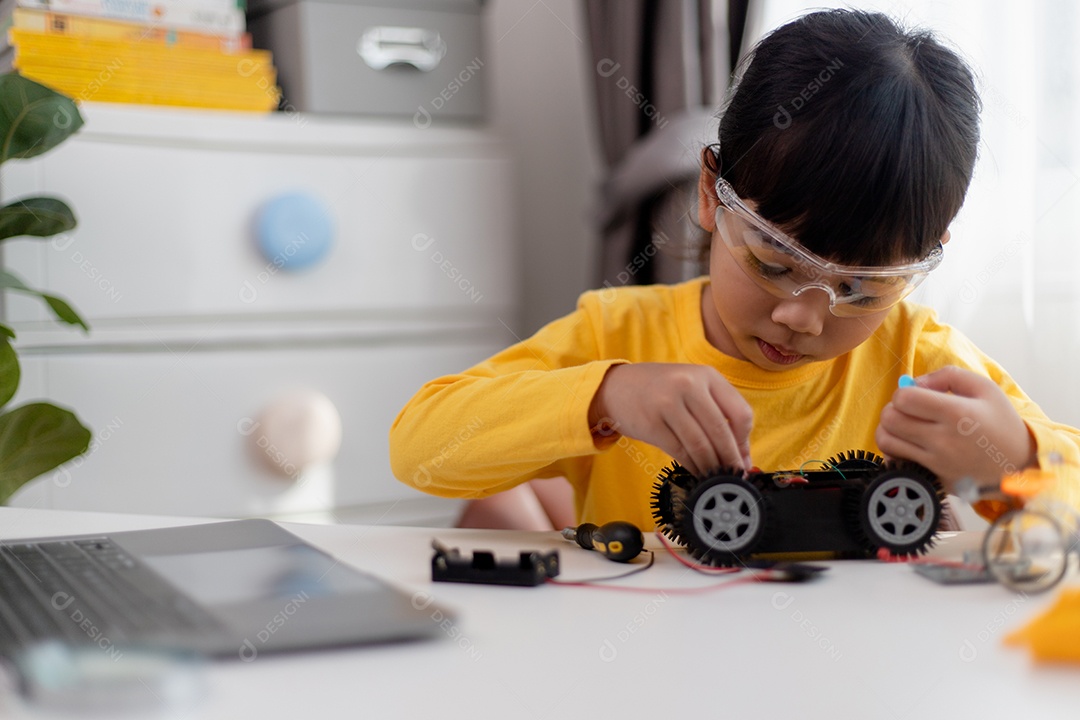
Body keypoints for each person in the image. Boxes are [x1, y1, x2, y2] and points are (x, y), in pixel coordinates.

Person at [390, 9, 1080, 531]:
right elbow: (419, 448)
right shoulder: (619, 337)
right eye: (774, 263)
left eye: (861, 289)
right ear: (708, 192)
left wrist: (1015, 465)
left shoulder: (923, 367)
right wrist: (606, 397)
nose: (804, 317)